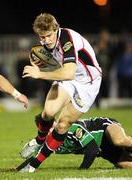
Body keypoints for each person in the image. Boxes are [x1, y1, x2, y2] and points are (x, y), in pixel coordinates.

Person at [21, 12, 102, 172]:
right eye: (42, 37)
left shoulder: (67, 40)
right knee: (47, 113)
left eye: (49, 35)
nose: (46, 40)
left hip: (88, 83)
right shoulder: (44, 43)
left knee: (63, 124)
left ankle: (34, 164)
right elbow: (58, 67)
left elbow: (68, 73)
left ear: (56, 29)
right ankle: (39, 140)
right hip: (69, 78)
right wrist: (43, 66)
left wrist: (40, 73)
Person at [17, 117, 132, 172]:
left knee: (119, 140)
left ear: (57, 122)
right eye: (47, 128)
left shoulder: (71, 129)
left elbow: (92, 149)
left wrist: (82, 171)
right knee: (125, 165)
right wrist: (16, 171)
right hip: (102, 148)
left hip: (104, 127)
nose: (52, 129)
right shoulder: (48, 142)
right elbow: (34, 160)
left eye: (52, 125)